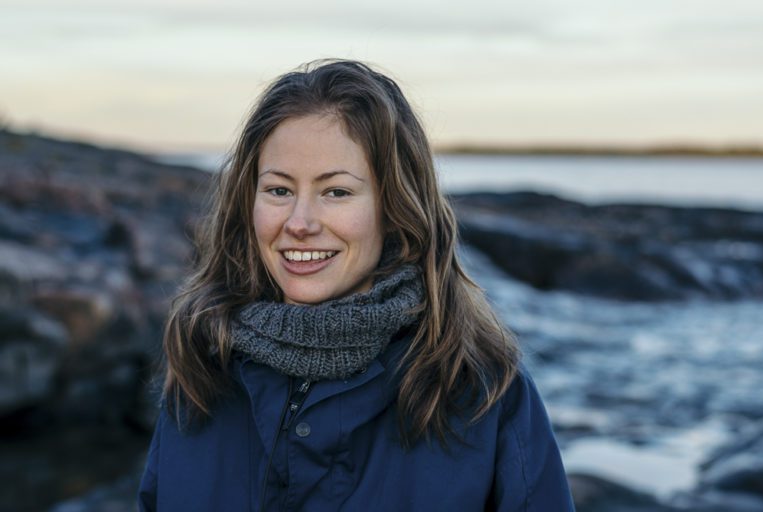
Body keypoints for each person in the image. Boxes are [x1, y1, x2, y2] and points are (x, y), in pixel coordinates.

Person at [137, 59, 574, 511]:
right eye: (279, 190)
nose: (300, 223)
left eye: (336, 192)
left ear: (395, 206)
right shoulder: (202, 370)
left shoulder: (483, 393)